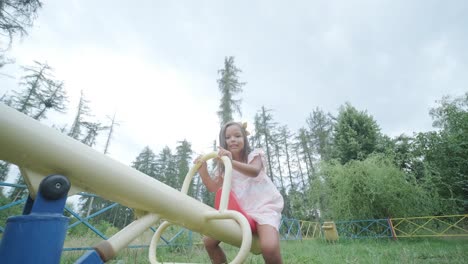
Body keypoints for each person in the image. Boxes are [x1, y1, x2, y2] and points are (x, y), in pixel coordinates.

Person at [194, 121, 284, 264]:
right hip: (239, 212)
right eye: (228, 137)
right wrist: (203, 171)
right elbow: (213, 187)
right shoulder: (224, 167)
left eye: (237, 136)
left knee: (269, 247)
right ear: (224, 142)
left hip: (264, 208)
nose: (233, 140)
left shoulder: (254, 156)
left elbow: (254, 171)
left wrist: (231, 162)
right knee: (209, 241)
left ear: (245, 139)